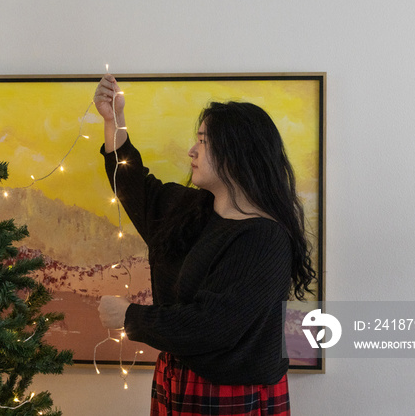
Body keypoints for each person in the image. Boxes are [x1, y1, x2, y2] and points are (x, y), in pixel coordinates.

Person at [94, 74, 315, 416]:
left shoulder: (265, 238)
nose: (192, 150)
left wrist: (130, 317)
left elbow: (213, 325)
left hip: (230, 394)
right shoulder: (192, 209)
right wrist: (114, 120)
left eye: (204, 141)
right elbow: (136, 187)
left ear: (237, 154)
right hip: (178, 378)